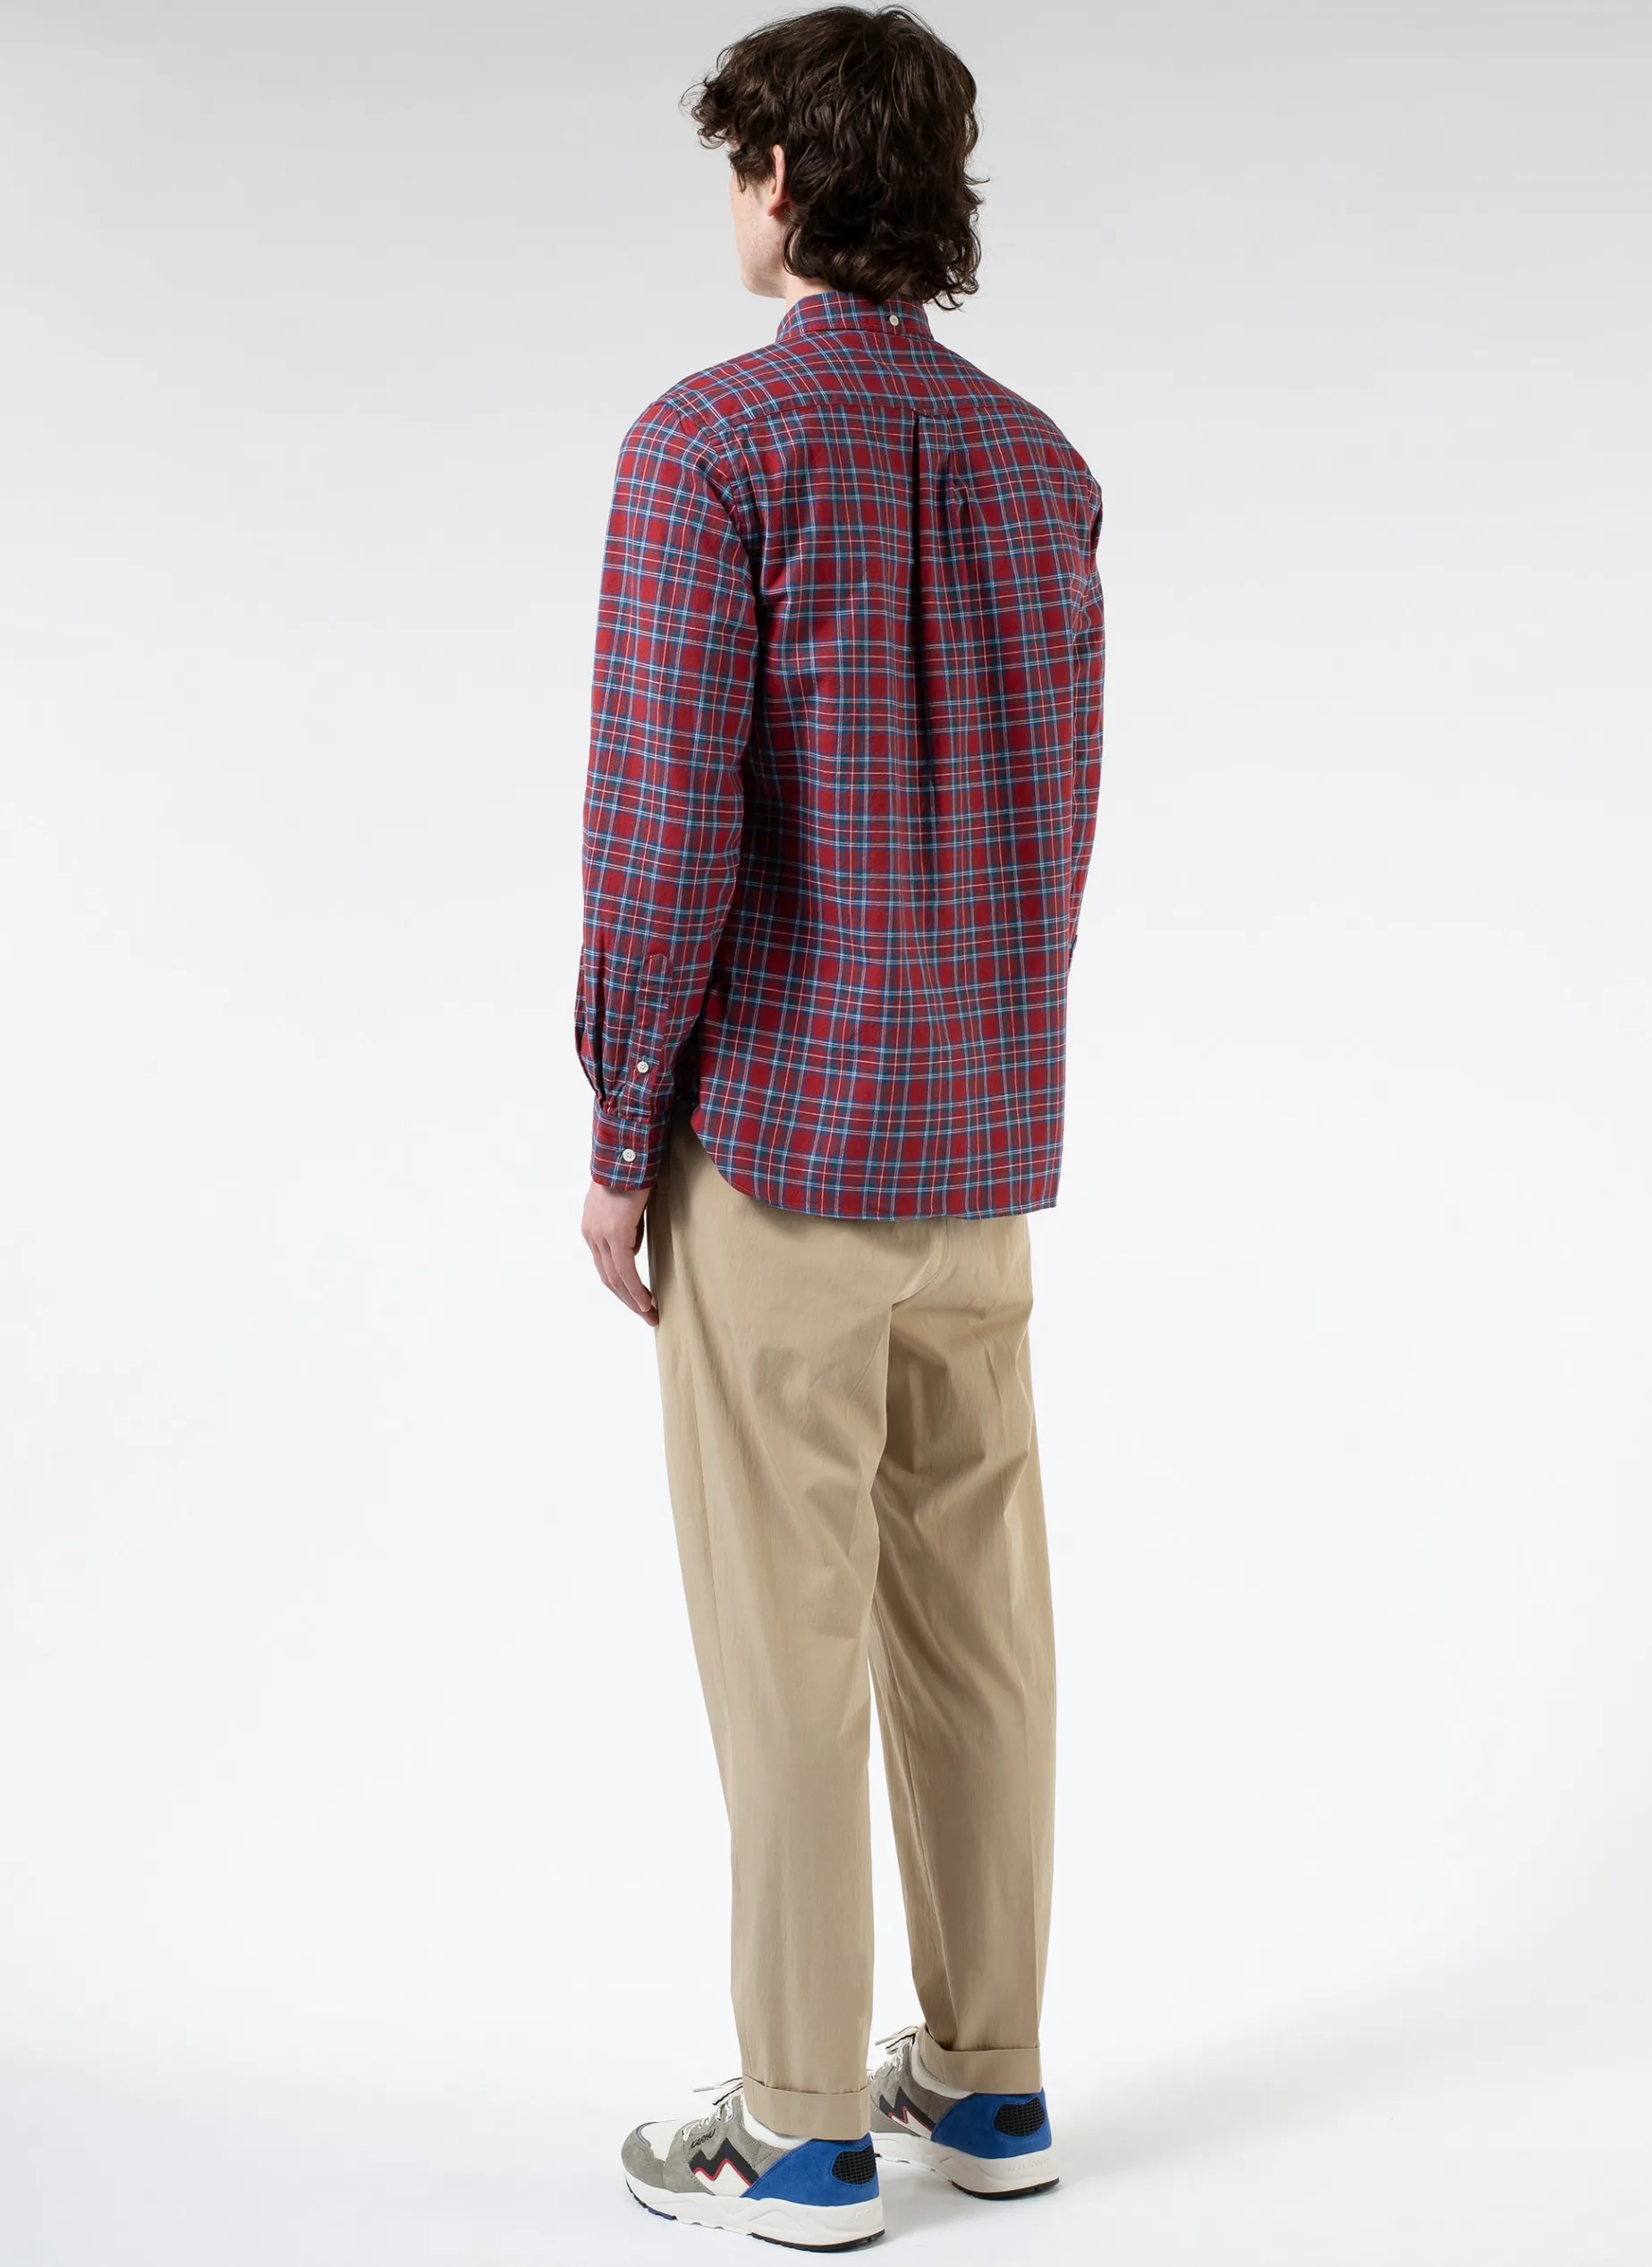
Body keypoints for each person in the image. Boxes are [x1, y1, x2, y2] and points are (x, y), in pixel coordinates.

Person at [575, 5, 1103, 2247]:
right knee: (977, 1621)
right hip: (980, 1160)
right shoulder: (1040, 465)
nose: (735, 200)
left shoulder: (708, 445)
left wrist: (624, 1128)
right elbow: (1054, 823)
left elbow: (658, 834)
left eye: (738, 166)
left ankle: (797, 2132)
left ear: (782, 180)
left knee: (782, 1638)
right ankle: (990, 2085)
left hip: (782, 1152)